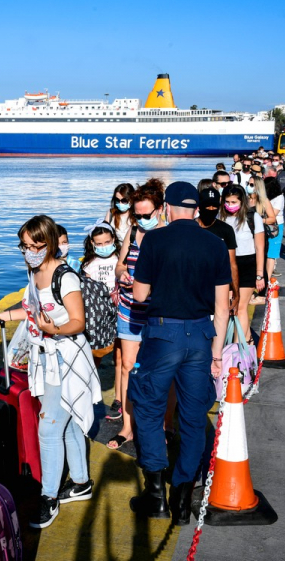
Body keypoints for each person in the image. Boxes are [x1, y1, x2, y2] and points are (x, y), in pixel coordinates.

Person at [127, 182, 231, 523]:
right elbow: (222, 306)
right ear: (197, 209)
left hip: (163, 334)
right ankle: (183, 500)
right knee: (192, 416)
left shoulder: (154, 240)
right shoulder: (215, 243)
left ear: (167, 208)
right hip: (201, 335)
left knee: (148, 408)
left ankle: (156, 494)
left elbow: (141, 295)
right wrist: (217, 354)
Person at [0, 215, 100, 530]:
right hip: (46, 357)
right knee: (69, 424)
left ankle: (48, 496)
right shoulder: (35, 272)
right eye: (24, 246)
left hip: (66, 359)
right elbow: (31, 308)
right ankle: (80, 483)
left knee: (49, 429)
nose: (29, 252)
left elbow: (78, 321)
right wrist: (6, 315)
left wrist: (55, 329)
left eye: (35, 246)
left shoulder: (65, 277)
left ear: (48, 242)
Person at [112, 178, 166, 450]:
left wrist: (146, 284)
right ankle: (127, 427)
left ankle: (162, 427)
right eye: (137, 214)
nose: (142, 219)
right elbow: (120, 265)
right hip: (129, 309)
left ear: (160, 209)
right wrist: (122, 276)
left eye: (147, 214)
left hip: (158, 312)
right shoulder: (132, 233)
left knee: (159, 371)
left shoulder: (168, 234)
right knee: (127, 367)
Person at [220, 185, 264, 339]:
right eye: (227, 202)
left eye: (234, 202)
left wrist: (259, 274)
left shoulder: (252, 217)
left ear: (242, 201)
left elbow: (259, 247)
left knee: (241, 308)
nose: (230, 205)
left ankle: (240, 347)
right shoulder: (220, 217)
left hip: (247, 263)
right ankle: (246, 341)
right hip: (226, 264)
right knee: (227, 307)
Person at [80, 221, 120, 372]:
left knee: (119, 344)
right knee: (97, 349)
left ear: (113, 239)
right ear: (92, 243)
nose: (104, 246)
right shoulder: (89, 264)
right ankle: (93, 375)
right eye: (99, 243)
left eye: (107, 242)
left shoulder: (119, 259)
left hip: (118, 305)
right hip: (99, 310)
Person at [197, 187, 238, 310]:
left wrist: (236, 293)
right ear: (199, 206)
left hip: (218, 288)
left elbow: (232, 263)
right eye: (207, 206)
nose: (210, 209)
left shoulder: (226, 230)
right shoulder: (191, 228)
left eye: (214, 206)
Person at [248, 176, 279, 282]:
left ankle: (260, 282)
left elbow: (272, 218)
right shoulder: (245, 199)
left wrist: (260, 221)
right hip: (247, 235)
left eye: (251, 185)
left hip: (260, 235)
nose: (249, 186)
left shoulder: (264, 201)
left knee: (260, 259)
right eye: (248, 183)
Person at [263, 165, 285, 277]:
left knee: (272, 253)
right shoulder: (264, 197)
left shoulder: (279, 198)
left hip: (275, 226)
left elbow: (274, 214)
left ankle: (268, 275)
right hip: (264, 224)